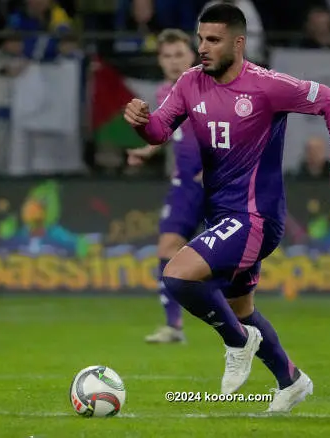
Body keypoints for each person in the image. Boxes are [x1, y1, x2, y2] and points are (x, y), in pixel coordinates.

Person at [124, 3, 330, 413]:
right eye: (200, 38)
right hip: (223, 216)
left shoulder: (266, 86)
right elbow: (160, 131)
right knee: (242, 309)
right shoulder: (189, 84)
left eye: (212, 40)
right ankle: (291, 380)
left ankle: (236, 342)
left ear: (238, 42)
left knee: (177, 275)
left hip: (255, 218)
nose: (203, 48)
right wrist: (142, 122)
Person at [127, 29, 204, 344]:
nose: (173, 62)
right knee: (166, 249)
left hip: (222, 185)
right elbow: (167, 130)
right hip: (185, 184)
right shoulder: (163, 94)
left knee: (231, 266)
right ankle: (174, 327)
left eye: (179, 55)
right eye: (167, 56)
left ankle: (243, 329)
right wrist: (147, 150)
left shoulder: (210, 88)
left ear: (193, 55)